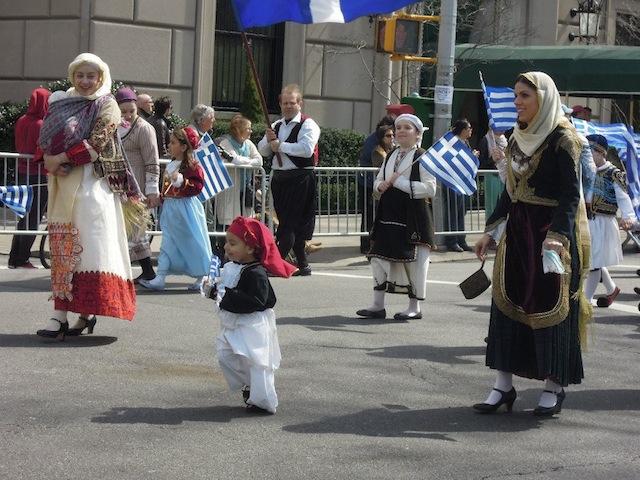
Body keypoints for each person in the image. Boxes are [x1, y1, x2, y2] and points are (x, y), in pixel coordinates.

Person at [472, 71, 592, 417]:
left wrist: (556, 237)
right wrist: (490, 231)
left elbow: (571, 195)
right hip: (518, 236)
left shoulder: (564, 139)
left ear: (544, 98)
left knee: (550, 307)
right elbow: (512, 191)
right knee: (507, 304)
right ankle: (502, 386)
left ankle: (554, 387)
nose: (518, 102)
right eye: (516, 96)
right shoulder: (515, 137)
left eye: (525, 95)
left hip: (550, 237)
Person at [37, 53, 145, 340]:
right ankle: (60, 316)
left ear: (101, 78)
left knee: (88, 252)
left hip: (93, 187)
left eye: (91, 76)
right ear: (72, 76)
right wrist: (47, 157)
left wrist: (57, 157)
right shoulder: (62, 101)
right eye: (80, 75)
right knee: (63, 250)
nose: (85, 81)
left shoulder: (107, 104)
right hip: (63, 183)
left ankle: (83, 314)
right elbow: (46, 135)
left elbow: (97, 143)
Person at [205, 216, 296, 414]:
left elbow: (257, 300)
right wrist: (213, 291)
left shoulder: (256, 273)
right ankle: (249, 384)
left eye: (233, 243)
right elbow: (225, 290)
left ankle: (263, 400)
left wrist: (224, 295)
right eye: (226, 242)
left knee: (257, 362)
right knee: (225, 354)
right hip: (235, 322)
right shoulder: (231, 267)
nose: (227, 247)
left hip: (253, 324)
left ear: (250, 248)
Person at [356, 113, 436, 321]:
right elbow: (380, 179)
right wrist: (379, 185)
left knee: (414, 263)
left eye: (407, 128)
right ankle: (377, 305)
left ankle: (414, 306)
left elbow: (430, 189)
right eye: (398, 127)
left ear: (418, 133)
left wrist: (399, 183)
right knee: (378, 258)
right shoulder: (391, 154)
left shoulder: (422, 156)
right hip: (388, 215)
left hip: (413, 218)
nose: (400, 131)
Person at [257, 83, 320, 277]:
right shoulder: (276, 125)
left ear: (300, 103)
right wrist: (268, 141)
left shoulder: (308, 125)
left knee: (289, 224)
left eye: (292, 102)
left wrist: (280, 146)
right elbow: (262, 150)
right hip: (280, 180)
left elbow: (306, 149)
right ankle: (302, 264)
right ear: (280, 104)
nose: (288, 106)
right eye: (285, 103)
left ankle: (276, 263)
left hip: (300, 179)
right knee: (288, 221)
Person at [139, 127, 212, 291]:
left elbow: (197, 187)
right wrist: (160, 199)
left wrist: (181, 181)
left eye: (173, 143)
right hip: (171, 210)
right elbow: (167, 189)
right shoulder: (172, 164)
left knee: (193, 242)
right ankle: (160, 277)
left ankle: (202, 275)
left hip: (186, 210)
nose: (169, 146)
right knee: (167, 244)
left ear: (184, 146)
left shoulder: (193, 166)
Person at [582, 134, 635, 308]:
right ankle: (612, 289)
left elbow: (623, 197)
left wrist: (628, 217)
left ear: (601, 152)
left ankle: (586, 300)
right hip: (588, 220)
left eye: (591, 152)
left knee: (594, 262)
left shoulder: (613, 173)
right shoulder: (587, 171)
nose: (588, 156)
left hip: (603, 222)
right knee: (594, 259)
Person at [115, 87, 161, 283]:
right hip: (118, 183)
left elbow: (152, 161)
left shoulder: (144, 128)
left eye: (131, 111)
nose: (127, 115)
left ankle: (123, 274)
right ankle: (147, 271)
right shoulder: (114, 127)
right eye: (123, 111)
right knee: (132, 231)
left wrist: (152, 191)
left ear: (137, 109)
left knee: (134, 230)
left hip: (138, 185)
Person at [8, 87, 51, 269]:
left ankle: (15, 257)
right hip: (38, 173)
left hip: (22, 171)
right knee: (33, 218)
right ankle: (22, 258)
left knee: (23, 216)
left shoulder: (21, 121)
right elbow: (42, 149)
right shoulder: (41, 124)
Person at [213, 114, 263, 240]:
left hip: (245, 189)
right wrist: (245, 161)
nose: (251, 131)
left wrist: (238, 160)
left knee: (246, 222)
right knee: (228, 223)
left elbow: (259, 161)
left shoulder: (249, 144)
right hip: (230, 190)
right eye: (248, 128)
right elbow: (233, 162)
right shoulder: (225, 143)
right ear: (240, 130)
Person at [357, 114, 396, 254]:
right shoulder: (374, 144)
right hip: (368, 183)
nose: (392, 137)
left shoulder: (384, 142)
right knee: (368, 215)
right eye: (389, 134)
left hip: (376, 183)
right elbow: (377, 161)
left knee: (376, 215)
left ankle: (375, 243)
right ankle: (366, 245)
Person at [443, 119, 479, 252]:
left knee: (461, 212)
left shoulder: (466, 143)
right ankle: (452, 240)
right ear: (462, 130)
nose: (470, 130)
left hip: (463, 182)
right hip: (453, 182)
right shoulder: (453, 143)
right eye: (469, 128)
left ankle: (461, 239)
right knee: (453, 211)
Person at [477, 126, 507, 220]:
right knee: (492, 205)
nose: (502, 129)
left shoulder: (506, 141)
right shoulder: (485, 140)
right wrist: (492, 160)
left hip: (505, 176)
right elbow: (481, 163)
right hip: (491, 176)